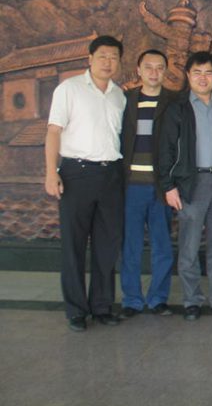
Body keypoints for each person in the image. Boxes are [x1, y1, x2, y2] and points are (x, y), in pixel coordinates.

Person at [44, 35, 126, 332]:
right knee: (74, 245)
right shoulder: (70, 89)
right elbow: (54, 132)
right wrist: (51, 172)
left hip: (110, 175)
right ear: (90, 59)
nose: (108, 62)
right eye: (102, 56)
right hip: (76, 173)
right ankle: (76, 310)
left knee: (107, 245)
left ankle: (102, 306)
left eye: (114, 57)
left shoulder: (119, 95)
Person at [158, 51, 212, 321]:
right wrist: (168, 186)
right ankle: (191, 300)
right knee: (189, 246)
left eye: (208, 73)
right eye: (197, 72)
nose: (203, 78)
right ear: (188, 75)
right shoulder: (177, 108)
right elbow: (165, 150)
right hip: (192, 183)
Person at [119, 49, 178, 319]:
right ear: (139, 70)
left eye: (159, 68)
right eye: (149, 67)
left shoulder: (173, 102)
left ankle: (158, 299)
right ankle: (131, 299)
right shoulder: (125, 101)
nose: (154, 72)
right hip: (131, 185)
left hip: (160, 186)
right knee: (130, 245)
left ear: (165, 71)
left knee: (162, 244)